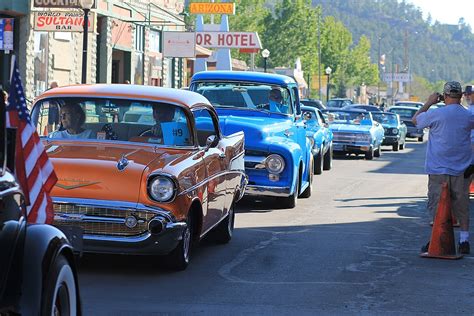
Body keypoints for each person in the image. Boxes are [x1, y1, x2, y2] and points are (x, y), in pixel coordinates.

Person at [412, 81, 474, 254]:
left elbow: (415, 120)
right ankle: (464, 240)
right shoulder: (468, 116)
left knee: (437, 205)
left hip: (438, 168)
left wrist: (430, 102)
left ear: (445, 96)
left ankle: (437, 239)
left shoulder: (436, 114)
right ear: (461, 96)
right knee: (461, 205)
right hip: (462, 168)